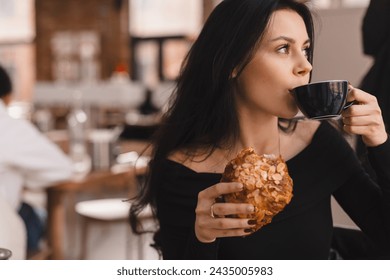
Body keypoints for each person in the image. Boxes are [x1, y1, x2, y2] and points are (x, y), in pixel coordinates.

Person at [129, 0, 390, 260]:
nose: (306, 66)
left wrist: (380, 144)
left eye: (306, 49)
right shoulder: (180, 173)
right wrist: (203, 239)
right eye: (283, 48)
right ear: (232, 62)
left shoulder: (319, 143)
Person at [0, 65, 73, 254]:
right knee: (34, 216)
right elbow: (62, 168)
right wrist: (26, 178)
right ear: (7, 97)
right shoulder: (9, 127)